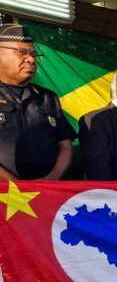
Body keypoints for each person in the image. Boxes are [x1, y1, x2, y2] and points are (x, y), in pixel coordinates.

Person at [0, 24, 75, 181]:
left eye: (34, 54)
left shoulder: (48, 98)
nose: (31, 59)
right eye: (21, 52)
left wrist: (52, 179)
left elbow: (65, 144)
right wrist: (16, 186)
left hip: (47, 190)